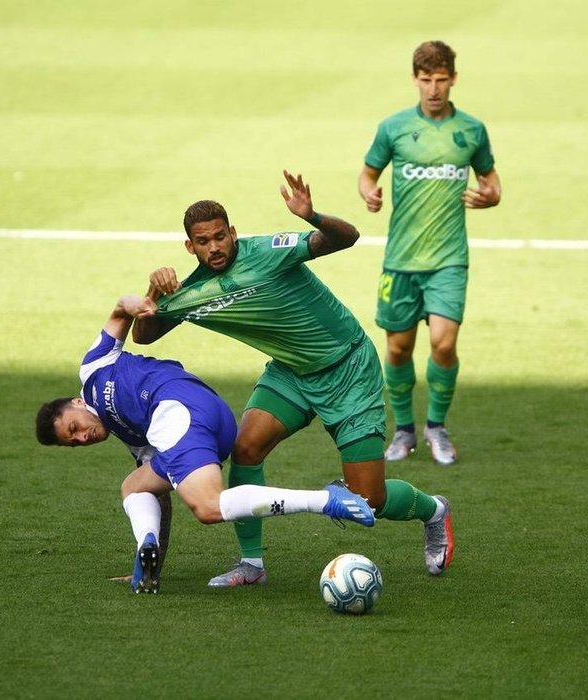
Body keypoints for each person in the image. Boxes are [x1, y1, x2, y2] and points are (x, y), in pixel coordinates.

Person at [132, 169, 454, 587]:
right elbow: (143, 335)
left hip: (348, 369)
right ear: (189, 246)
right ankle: (252, 565)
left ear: (232, 232)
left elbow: (347, 236)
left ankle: (434, 510)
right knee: (245, 448)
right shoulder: (189, 292)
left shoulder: (269, 250)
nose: (214, 248)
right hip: (291, 374)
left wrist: (312, 215)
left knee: (367, 500)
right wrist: (154, 295)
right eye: (203, 242)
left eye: (220, 237)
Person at [35, 295, 376, 594]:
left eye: (75, 427)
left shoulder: (93, 369)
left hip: (175, 409)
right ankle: (146, 552)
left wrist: (135, 303)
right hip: (207, 415)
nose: (83, 437)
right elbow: (158, 495)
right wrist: (154, 563)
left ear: (77, 403)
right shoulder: (134, 438)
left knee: (209, 507)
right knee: (135, 487)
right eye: (75, 441)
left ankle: (325, 499)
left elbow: (120, 311)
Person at [358, 40, 502, 466]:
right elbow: (368, 174)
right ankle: (403, 431)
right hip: (401, 259)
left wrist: (491, 196)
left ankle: (436, 426)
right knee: (399, 349)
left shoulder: (472, 130)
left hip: (449, 259)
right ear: (415, 80)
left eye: (441, 80)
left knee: (443, 342)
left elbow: (492, 180)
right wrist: (370, 195)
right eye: (426, 80)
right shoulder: (393, 128)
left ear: (453, 79)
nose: (434, 89)